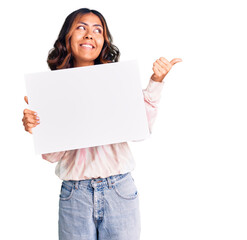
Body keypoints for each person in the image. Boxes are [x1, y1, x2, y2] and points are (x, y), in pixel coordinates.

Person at [22, 8, 182, 240]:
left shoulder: (117, 81)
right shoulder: (51, 89)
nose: (89, 35)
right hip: (75, 195)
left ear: (104, 42)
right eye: (81, 28)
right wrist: (37, 126)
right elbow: (52, 156)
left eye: (97, 30)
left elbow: (141, 130)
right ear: (67, 37)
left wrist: (156, 82)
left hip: (119, 191)